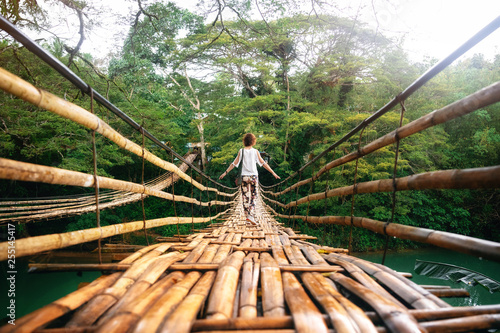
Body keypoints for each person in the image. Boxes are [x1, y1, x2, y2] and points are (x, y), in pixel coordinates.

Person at [219, 133, 280, 225]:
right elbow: (263, 163)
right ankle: (251, 215)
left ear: (244, 141)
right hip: (253, 177)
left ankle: (248, 216)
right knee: (254, 195)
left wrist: (225, 172)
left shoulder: (241, 151)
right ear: (253, 141)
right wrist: (273, 172)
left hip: (244, 177)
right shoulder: (255, 151)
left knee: (245, 197)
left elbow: (234, 164)